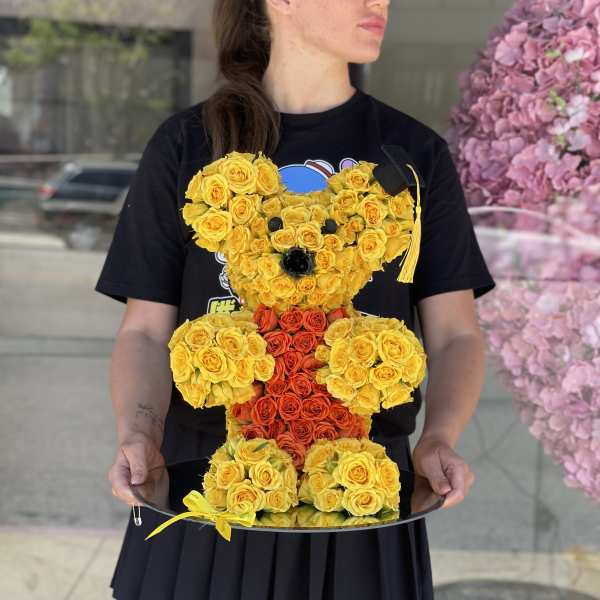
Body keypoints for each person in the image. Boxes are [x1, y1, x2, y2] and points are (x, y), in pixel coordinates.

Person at [95, 1, 496, 598]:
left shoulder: (412, 155)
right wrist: (139, 434)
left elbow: (456, 334)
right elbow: (146, 331)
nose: (379, 1)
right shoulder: (190, 143)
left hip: (361, 489)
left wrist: (438, 437)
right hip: (208, 484)